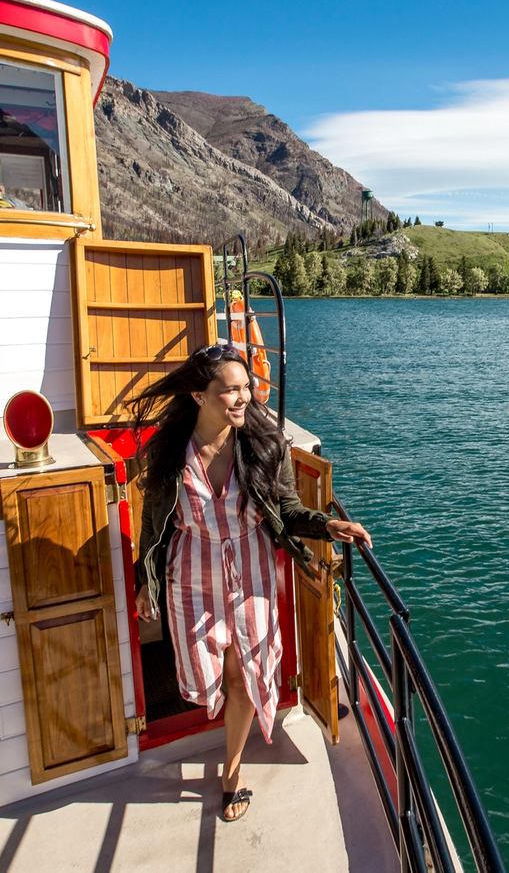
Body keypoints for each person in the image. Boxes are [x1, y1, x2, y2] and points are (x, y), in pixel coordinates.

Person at [128, 343, 371, 821]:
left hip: (250, 567)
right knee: (203, 677)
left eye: (247, 388)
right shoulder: (170, 451)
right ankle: (220, 715)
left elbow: (286, 511)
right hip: (192, 571)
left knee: (244, 676)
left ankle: (231, 773)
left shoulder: (264, 445)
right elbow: (153, 526)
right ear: (199, 395)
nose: (243, 399)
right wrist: (146, 582)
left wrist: (329, 526)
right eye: (230, 390)